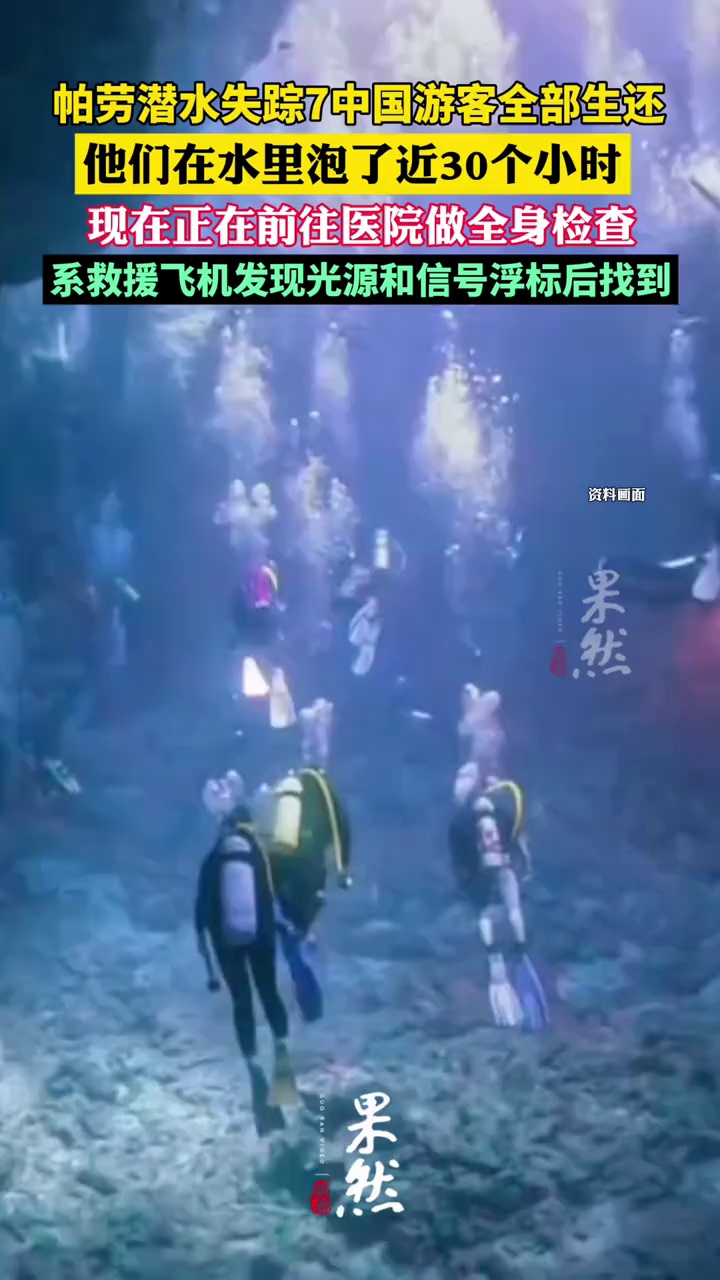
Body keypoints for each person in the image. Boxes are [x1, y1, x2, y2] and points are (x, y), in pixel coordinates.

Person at [195, 776, 298, 1120]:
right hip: (261, 936)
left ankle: (254, 1068)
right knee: (268, 991)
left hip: (226, 942)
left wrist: (210, 967)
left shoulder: (213, 859)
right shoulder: (257, 855)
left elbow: (201, 914)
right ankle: (282, 1050)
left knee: (242, 1001)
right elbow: (272, 898)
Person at [449, 763, 547, 1032]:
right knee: (513, 909)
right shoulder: (502, 811)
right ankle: (520, 949)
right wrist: (526, 865)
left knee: (485, 912)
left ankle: (496, 963)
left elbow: (460, 854)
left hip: (481, 872)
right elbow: (518, 840)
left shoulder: (463, 819)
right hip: (505, 868)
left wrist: (464, 880)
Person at [255, 765, 352, 1021]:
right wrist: (342, 869)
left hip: (278, 868)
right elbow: (340, 827)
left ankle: (301, 993)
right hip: (308, 870)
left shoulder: (281, 793)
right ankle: (312, 1006)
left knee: (287, 932)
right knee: (303, 929)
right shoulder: (321, 789)